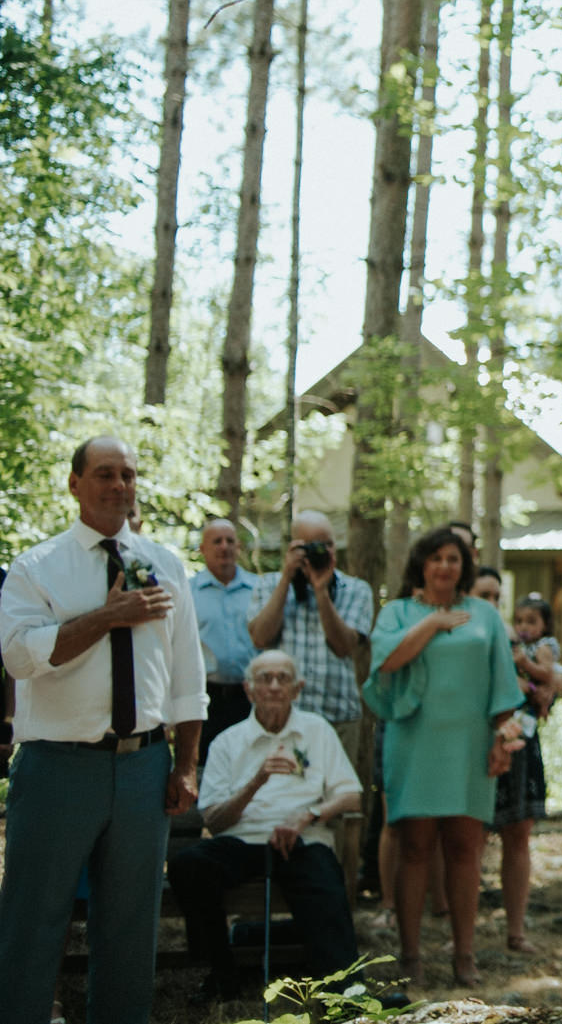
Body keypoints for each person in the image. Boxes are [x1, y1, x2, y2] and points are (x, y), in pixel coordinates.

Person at [0, 436, 206, 1024]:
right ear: (74, 484)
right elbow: (20, 658)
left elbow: (187, 676)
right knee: (33, 920)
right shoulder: (37, 567)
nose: (119, 485)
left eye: (128, 475)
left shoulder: (166, 565)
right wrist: (109, 616)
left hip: (144, 767)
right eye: (104, 474)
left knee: (130, 926)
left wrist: (185, 764)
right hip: (57, 766)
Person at [367, 526, 525, 989]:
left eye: (453, 559)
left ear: (465, 566)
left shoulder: (483, 615)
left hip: (470, 744)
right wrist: (433, 622)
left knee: (464, 849)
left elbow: (503, 685)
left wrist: (502, 739)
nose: (444, 566)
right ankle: (411, 955)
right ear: (421, 564)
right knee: (414, 847)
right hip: (414, 742)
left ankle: (464, 955)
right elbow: (388, 662)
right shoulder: (397, 612)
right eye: (435, 558)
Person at [167, 650, 365, 1004]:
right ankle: (222, 973)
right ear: (249, 690)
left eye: (283, 678)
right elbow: (213, 819)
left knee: (322, 876)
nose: (274, 686)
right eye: (265, 678)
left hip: (303, 837)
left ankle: (344, 994)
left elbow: (351, 796)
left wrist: (308, 816)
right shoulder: (228, 741)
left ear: (297, 688)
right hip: (243, 840)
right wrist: (256, 782)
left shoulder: (317, 731)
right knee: (189, 866)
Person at [248, 511, 375, 785]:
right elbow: (260, 637)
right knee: (280, 799)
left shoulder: (356, 590)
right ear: (293, 547)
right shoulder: (269, 584)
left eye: (326, 544)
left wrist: (321, 591)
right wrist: (286, 580)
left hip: (337, 715)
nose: (321, 552)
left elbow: (343, 646)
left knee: (337, 801)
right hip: (279, 719)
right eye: (310, 546)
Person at [495, 592, 560, 952]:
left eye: (531, 621)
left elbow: (550, 680)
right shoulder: (503, 638)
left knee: (519, 833)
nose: (523, 627)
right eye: (519, 620)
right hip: (483, 737)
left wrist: (536, 686)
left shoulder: (542, 648)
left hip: (523, 741)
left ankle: (515, 932)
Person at [192, 518, 258, 758]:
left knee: (249, 764)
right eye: (216, 541)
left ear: (238, 547)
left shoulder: (258, 589)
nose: (224, 546)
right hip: (206, 699)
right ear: (202, 549)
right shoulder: (188, 592)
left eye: (230, 541)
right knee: (206, 766)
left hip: (251, 698)